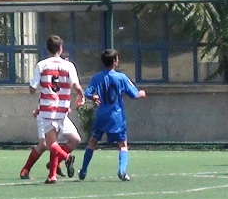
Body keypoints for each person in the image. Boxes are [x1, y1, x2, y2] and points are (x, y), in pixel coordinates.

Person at [78, 49, 146, 182]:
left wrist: (93, 97)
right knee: (122, 144)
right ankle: (122, 171)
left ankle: (83, 170)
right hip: (116, 116)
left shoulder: (97, 77)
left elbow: (87, 93)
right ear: (115, 61)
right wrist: (141, 93)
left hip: (101, 115)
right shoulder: (121, 77)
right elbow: (134, 94)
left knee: (92, 142)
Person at [26, 35, 83, 184]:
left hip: (48, 109)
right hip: (62, 109)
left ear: (47, 49)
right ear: (61, 48)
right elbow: (76, 86)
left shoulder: (41, 65)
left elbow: (32, 89)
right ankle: (52, 175)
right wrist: (81, 95)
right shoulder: (69, 66)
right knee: (62, 141)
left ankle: (66, 157)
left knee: (52, 144)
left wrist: (34, 84)